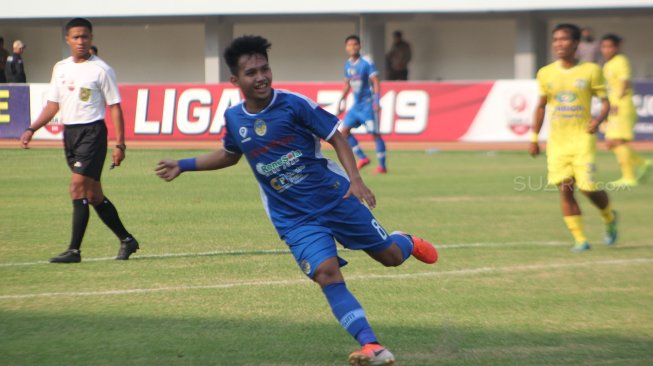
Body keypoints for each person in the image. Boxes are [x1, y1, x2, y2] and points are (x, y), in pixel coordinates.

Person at [155, 35, 438, 366]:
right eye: (251, 72)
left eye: (265, 68)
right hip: (293, 217)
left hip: (335, 197)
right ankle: (371, 346)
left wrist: (356, 180)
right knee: (326, 274)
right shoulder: (234, 119)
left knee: (389, 257)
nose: (260, 77)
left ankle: (405, 240)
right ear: (235, 80)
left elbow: (336, 137)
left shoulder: (294, 104)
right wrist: (184, 165)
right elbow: (230, 155)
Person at [19, 18, 139, 263]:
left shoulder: (101, 69)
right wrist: (32, 128)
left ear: (91, 38)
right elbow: (53, 105)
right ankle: (127, 240)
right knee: (93, 195)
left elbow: (115, 107)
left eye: (85, 36)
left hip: (93, 134)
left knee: (76, 187)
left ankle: (74, 250)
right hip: (70, 134)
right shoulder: (61, 68)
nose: (81, 41)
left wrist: (120, 144)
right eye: (76, 37)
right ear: (67, 39)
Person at [529, 23, 618, 252]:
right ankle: (580, 239)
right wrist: (533, 137)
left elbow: (605, 101)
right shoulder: (545, 73)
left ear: (576, 43)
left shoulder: (590, 70)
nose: (558, 44)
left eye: (564, 39)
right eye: (555, 39)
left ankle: (609, 217)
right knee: (565, 189)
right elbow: (541, 106)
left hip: (582, 139)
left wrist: (597, 121)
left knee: (587, 188)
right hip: (557, 142)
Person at [600, 33, 652, 187]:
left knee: (616, 141)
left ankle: (629, 177)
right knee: (611, 143)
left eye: (609, 46)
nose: (606, 50)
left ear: (617, 47)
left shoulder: (620, 61)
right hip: (614, 105)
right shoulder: (608, 64)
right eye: (603, 46)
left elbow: (625, 83)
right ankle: (643, 163)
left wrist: (616, 102)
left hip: (621, 106)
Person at [336, 35, 388, 174]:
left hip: (367, 105)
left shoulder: (366, 63)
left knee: (375, 134)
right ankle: (363, 158)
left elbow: (376, 81)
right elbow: (347, 84)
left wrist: (377, 100)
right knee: (343, 132)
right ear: (346, 48)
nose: (352, 47)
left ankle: (382, 167)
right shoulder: (347, 65)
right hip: (356, 107)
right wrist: (342, 99)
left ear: (359, 46)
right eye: (349, 45)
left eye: (355, 44)